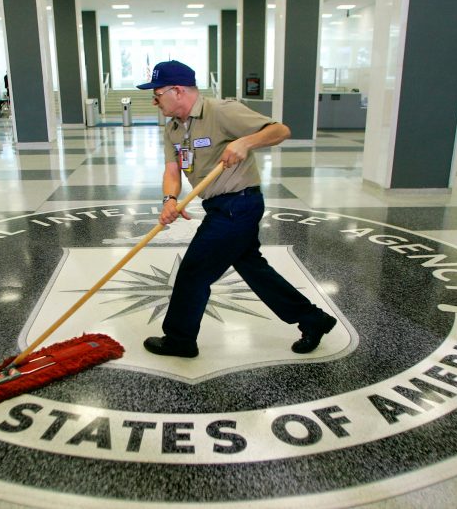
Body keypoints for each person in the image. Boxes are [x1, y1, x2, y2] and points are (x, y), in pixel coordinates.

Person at [136, 60, 337, 358]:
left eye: (157, 93)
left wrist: (246, 141)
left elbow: (280, 130)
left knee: (194, 271)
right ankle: (313, 319)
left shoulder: (221, 111)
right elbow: (172, 171)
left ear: (177, 90)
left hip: (238, 204)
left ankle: (180, 340)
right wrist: (170, 199)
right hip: (219, 205)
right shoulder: (174, 129)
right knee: (254, 269)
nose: (154, 99)